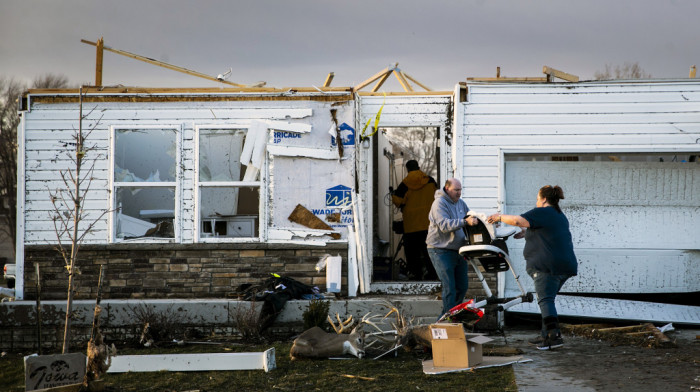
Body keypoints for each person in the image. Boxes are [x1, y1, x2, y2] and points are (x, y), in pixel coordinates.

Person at [487, 185, 578, 351]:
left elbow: (516, 220)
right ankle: (545, 334)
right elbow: (545, 232)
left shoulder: (543, 212)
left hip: (547, 266)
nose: (536, 201)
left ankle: (553, 337)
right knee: (548, 299)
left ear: (544, 199)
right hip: (564, 266)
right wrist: (526, 233)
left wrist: (499, 217)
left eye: (537, 198)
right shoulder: (558, 215)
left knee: (545, 300)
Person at [426, 178, 479, 317]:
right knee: (450, 287)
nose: (459, 193)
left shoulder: (461, 203)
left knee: (462, 287)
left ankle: (448, 318)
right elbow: (444, 226)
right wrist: (465, 221)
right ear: (447, 188)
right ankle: (449, 321)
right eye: (456, 190)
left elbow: (470, 219)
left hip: (459, 250)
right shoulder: (439, 203)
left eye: (460, 190)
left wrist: (484, 223)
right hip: (440, 249)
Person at [392, 160, 438, 280]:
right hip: (429, 224)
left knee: (412, 253)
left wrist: (393, 194)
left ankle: (416, 275)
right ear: (418, 167)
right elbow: (438, 196)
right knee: (429, 251)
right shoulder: (430, 181)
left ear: (407, 169)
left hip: (411, 225)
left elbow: (398, 201)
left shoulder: (405, 184)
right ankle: (432, 274)